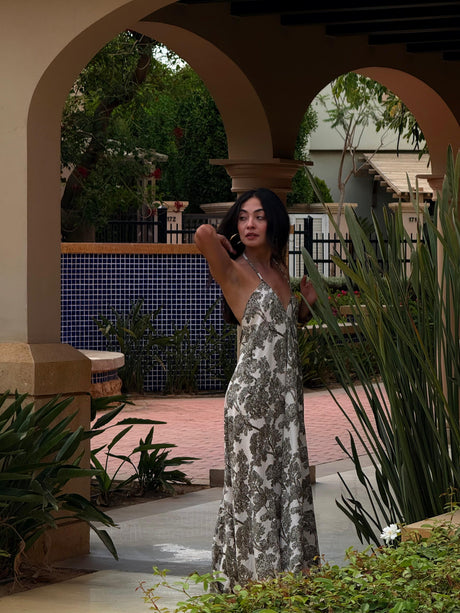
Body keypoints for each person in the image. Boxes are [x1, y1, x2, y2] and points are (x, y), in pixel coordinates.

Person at [194, 187, 319, 592]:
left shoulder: (279, 270)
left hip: (287, 403)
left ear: (275, 222)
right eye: (243, 216)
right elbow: (201, 235)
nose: (250, 224)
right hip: (250, 403)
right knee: (255, 491)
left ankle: (290, 580)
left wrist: (306, 306)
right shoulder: (233, 269)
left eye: (259, 216)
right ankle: (254, 586)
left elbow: (282, 328)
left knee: (287, 483)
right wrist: (225, 239)